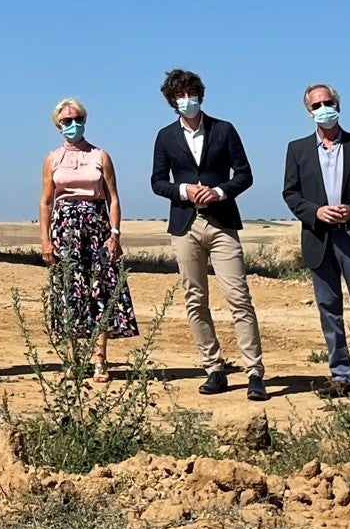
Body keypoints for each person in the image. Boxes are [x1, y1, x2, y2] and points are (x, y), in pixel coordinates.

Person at [150, 68, 268, 400]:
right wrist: (185, 190)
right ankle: (213, 367)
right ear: (172, 101)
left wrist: (218, 191)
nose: (186, 100)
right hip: (185, 225)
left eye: (191, 93)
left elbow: (244, 175)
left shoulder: (224, 129)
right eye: (180, 95)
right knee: (194, 298)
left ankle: (254, 371)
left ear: (200, 94)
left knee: (238, 297)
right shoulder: (165, 136)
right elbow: (158, 181)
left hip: (222, 223)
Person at [280, 83, 350, 395]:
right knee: (329, 308)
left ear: (338, 105)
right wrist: (316, 212)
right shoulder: (297, 149)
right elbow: (291, 193)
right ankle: (341, 377)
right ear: (308, 111)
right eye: (316, 105)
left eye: (328, 102)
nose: (323, 109)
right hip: (320, 240)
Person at [37, 98, 138, 383]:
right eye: (66, 120)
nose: (73, 124)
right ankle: (72, 360)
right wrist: (45, 240)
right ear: (58, 125)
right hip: (65, 229)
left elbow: (113, 198)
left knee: (100, 292)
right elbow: (45, 201)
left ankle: (100, 360)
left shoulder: (100, 156)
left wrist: (115, 234)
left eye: (77, 118)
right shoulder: (52, 159)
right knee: (69, 292)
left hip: (97, 227)